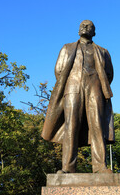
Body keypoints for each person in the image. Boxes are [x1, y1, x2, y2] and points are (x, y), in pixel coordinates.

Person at [41, 20, 115, 174]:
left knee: (97, 125)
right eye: (82, 25)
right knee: (71, 125)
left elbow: (109, 74)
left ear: (94, 32)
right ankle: (68, 168)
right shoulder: (67, 48)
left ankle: (100, 167)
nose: (85, 27)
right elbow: (59, 71)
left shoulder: (103, 51)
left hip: (95, 87)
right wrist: (72, 82)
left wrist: (97, 84)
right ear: (78, 30)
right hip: (73, 87)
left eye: (89, 26)